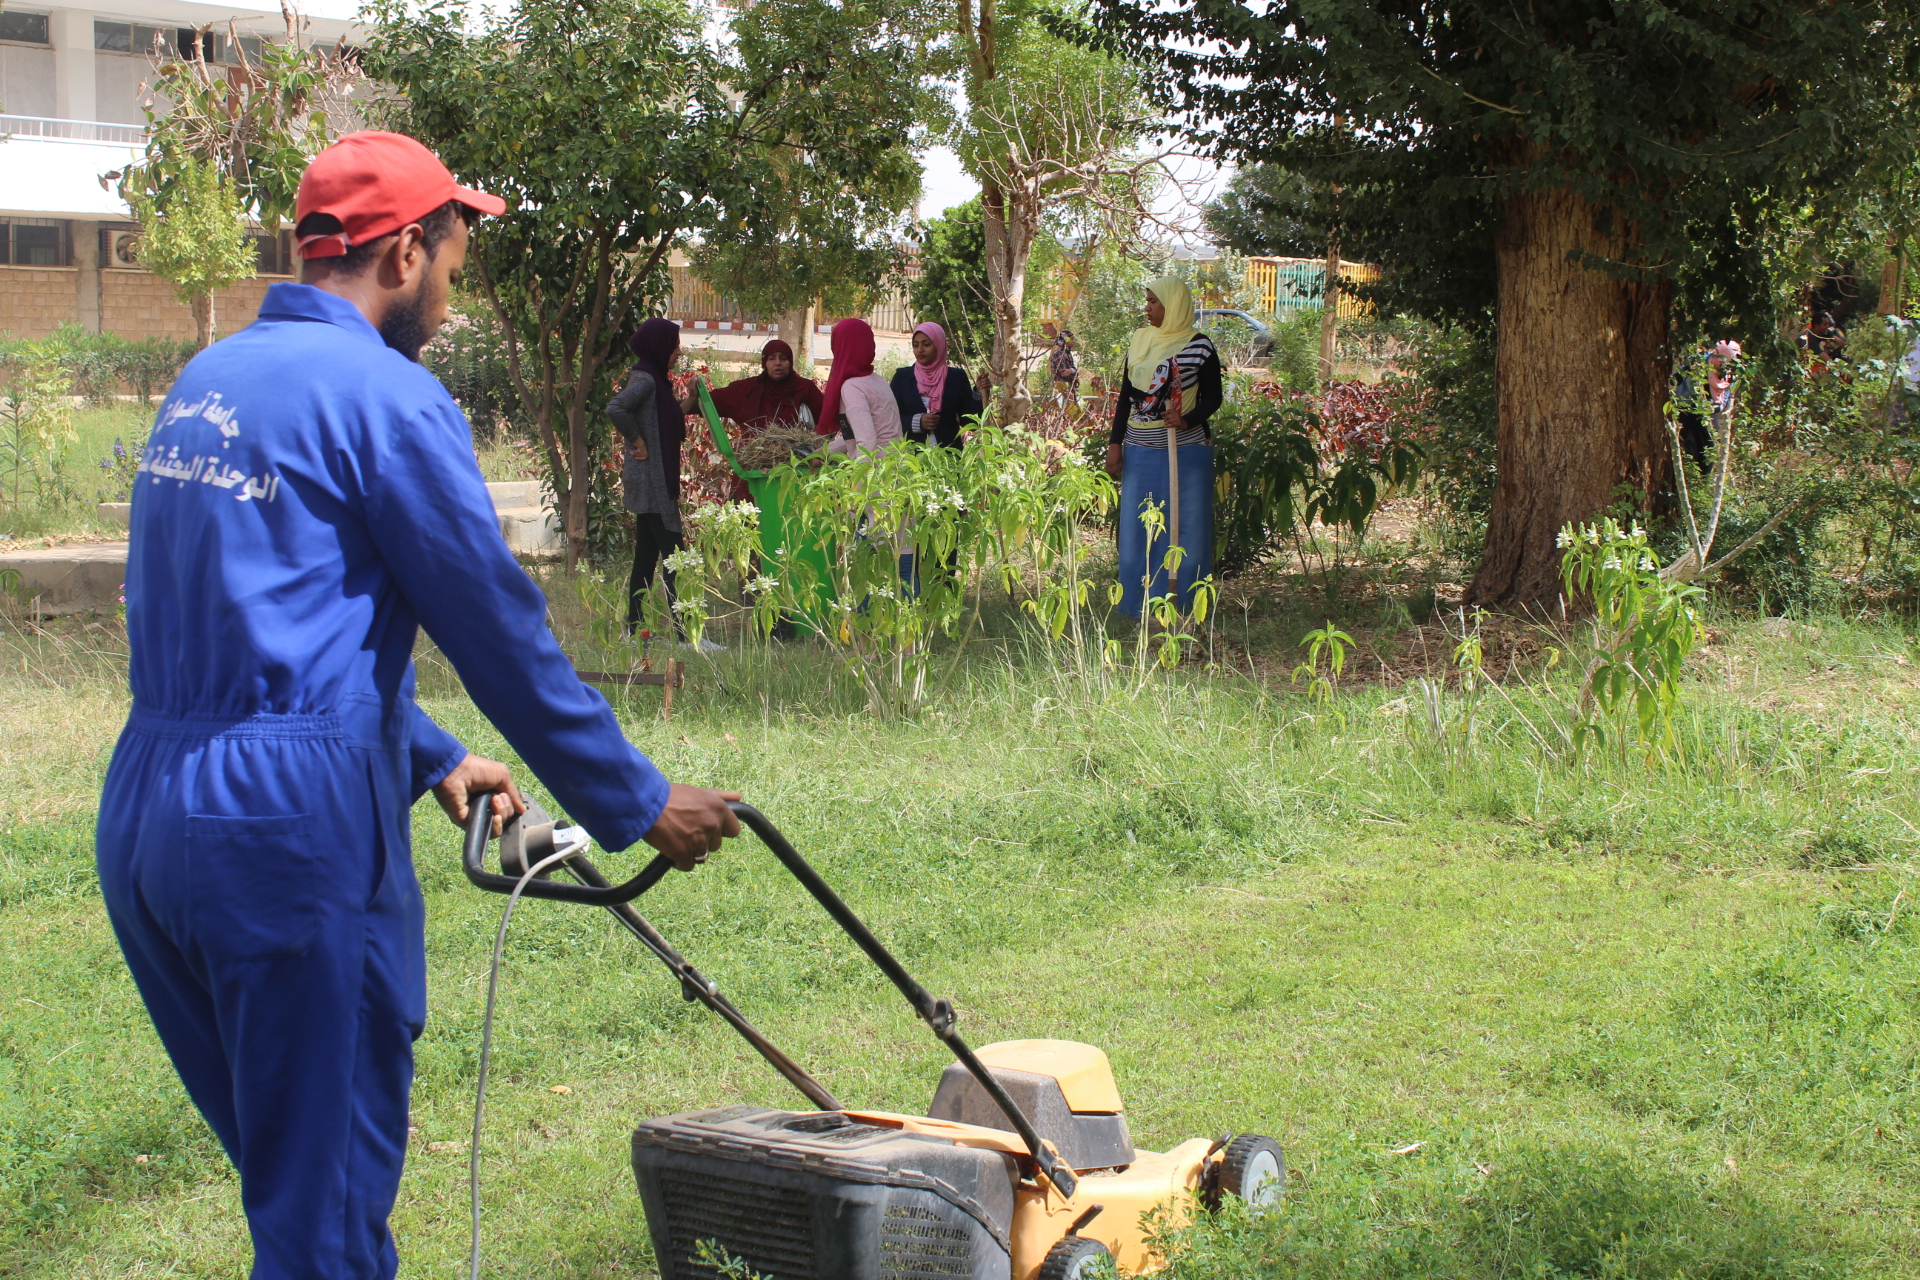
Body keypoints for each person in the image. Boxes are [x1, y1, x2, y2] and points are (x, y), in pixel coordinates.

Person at [93, 131, 743, 1280]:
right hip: (284, 837)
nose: (450, 299)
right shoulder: (389, 399)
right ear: (402, 253)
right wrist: (637, 799)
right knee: (329, 1221)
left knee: (295, 1190)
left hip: (150, 815)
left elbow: (261, 623)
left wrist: (428, 751)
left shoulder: (209, 383)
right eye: (450, 266)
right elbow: (498, 631)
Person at [1103, 276, 1223, 619]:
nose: (1148, 308)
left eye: (1154, 301)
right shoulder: (1141, 340)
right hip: (1139, 451)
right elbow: (1126, 398)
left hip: (1186, 453)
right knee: (1138, 529)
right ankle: (1136, 607)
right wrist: (1115, 443)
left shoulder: (1199, 346)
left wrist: (1187, 419)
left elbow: (1214, 397)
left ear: (1173, 305)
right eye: (1148, 300)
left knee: (1185, 529)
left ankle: (1182, 607)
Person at [608, 319, 705, 640]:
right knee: (677, 557)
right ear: (659, 346)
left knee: (646, 557)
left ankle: (634, 628)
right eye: (674, 345)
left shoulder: (655, 380)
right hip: (652, 480)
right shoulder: (646, 379)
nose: (678, 351)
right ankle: (687, 635)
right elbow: (616, 408)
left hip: (651, 479)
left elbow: (670, 416)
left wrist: (693, 396)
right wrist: (639, 442)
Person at [707, 338, 824, 496]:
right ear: (764, 362)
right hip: (752, 468)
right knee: (748, 509)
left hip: (794, 469)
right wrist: (691, 397)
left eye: (783, 358)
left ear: (790, 362)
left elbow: (827, 421)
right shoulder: (748, 389)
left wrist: (817, 450)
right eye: (772, 358)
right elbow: (710, 401)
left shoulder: (804, 389)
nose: (778, 363)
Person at [890, 321, 985, 448]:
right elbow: (889, 418)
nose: (920, 350)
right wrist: (917, 422)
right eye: (915, 345)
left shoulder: (956, 377)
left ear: (939, 344)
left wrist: (978, 393)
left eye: (927, 344)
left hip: (949, 454)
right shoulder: (903, 377)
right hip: (912, 454)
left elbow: (970, 422)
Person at [820, 317, 902, 458]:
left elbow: (867, 442)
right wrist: (824, 452)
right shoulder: (878, 381)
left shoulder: (853, 387)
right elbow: (858, 432)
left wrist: (858, 473)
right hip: (895, 464)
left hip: (877, 468)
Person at [1799, 311, 1847, 377]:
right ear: (1816, 326)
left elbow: (1842, 343)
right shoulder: (1809, 338)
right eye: (1825, 324)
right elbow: (1828, 361)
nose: (1828, 326)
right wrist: (1841, 369)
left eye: (1828, 324)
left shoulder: (1824, 331)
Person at [1044, 321, 1079, 411]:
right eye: (1071, 339)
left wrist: (1072, 371)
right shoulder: (1058, 354)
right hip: (1061, 389)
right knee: (1061, 410)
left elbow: (1073, 370)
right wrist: (1073, 371)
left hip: (1069, 388)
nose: (1074, 341)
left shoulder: (1068, 353)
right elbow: (1064, 373)